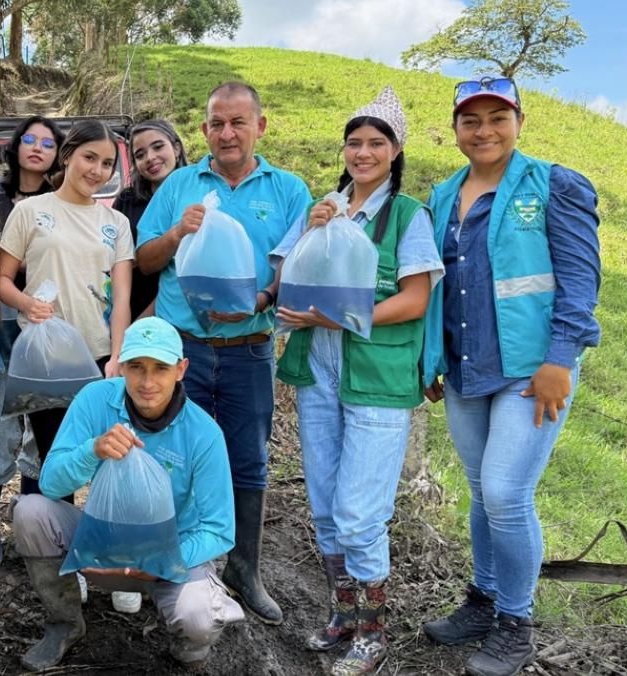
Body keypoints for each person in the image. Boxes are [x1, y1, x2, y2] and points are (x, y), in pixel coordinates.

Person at [418, 77, 600, 676]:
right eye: (471, 121)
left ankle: (516, 626)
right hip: (467, 369)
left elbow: (579, 282)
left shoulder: (552, 184)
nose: (484, 130)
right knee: (480, 492)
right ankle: (483, 599)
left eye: (498, 117)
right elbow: (439, 285)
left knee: (505, 492)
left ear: (519, 121)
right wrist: (433, 358)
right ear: (455, 130)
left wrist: (560, 360)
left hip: (531, 371)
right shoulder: (443, 196)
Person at [270, 87, 443, 675]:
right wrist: (314, 231)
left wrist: (338, 317)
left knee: (359, 514)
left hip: (376, 374)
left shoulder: (408, 215)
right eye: (354, 142)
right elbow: (286, 278)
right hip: (318, 369)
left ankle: (373, 632)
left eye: (376, 143)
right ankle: (342, 614)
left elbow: (416, 299)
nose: (363, 153)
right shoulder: (324, 206)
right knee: (324, 505)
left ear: (396, 151)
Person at [135, 81, 312, 625]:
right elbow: (143, 260)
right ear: (204, 130)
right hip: (180, 349)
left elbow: (297, 267)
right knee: (170, 457)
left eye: (238, 122)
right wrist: (175, 233)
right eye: (216, 123)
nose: (226, 133)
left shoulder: (287, 189)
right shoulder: (181, 185)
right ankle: (168, 567)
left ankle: (243, 568)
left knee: (248, 461)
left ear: (261, 125)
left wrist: (259, 299)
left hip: (249, 349)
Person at [13, 316, 245, 671]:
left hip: (169, 557)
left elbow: (219, 529)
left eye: (160, 368)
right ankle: (65, 624)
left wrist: (163, 560)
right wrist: (93, 450)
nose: (147, 382)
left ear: (181, 370)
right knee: (30, 513)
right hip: (99, 546)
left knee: (198, 616)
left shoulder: (203, 433)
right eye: (136, 367)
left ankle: (187, 651)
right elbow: (51, 485)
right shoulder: (96, 400)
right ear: (121, 365)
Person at [0, 119, 135, 493]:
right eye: (89, 157)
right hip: (48, 358)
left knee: (107, 457)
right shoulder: (30, 211)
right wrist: (27, 303)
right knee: (54, 459)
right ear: (68, 154)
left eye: (107, 164)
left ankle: (97, 540)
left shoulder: (116, 222)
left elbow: (121, 295)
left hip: (100, 355)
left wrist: (118, 356)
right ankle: (50, 544)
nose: (97, 170)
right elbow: (1, 279)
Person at [0, 115, 64, 565]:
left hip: (48, 332)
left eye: (48, 142)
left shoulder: (64, 202)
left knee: (40, 436)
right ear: (16, 146)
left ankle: (30, 522)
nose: (38, 147)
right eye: (30, 138)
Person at [111, 119, 188, 320]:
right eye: (140, 155)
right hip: (131, 305)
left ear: (177, 148)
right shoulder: (127, 200)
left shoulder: (196, 194)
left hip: (182, 312)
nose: (150, 158)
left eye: (158, 146)